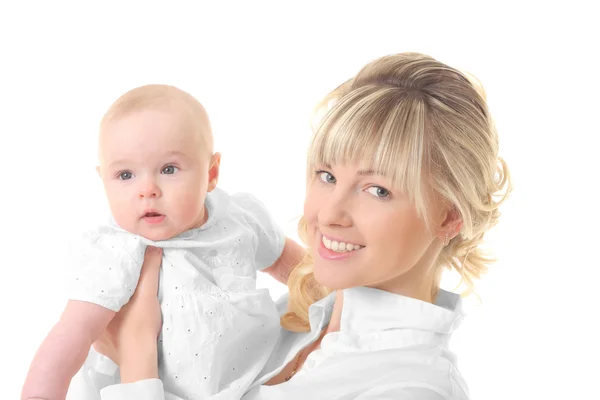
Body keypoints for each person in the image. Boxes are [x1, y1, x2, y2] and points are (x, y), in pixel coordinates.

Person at [99, 52, 511, 399]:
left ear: (450, 215)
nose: (329, 214)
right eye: (327, 176)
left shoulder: (412, 388)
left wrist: (135, 356)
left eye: (377, 190)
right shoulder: (290, 318)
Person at [21, 85, 304, 400]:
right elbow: (71, 335)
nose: (147, 189)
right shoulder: (115, 252)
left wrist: (335, 291)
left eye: (169, 169)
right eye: (125, 175)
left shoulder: (238, 217)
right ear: (103, 181)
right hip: (155, 390)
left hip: (260, 370)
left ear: (211, 173)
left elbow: (292, 264)